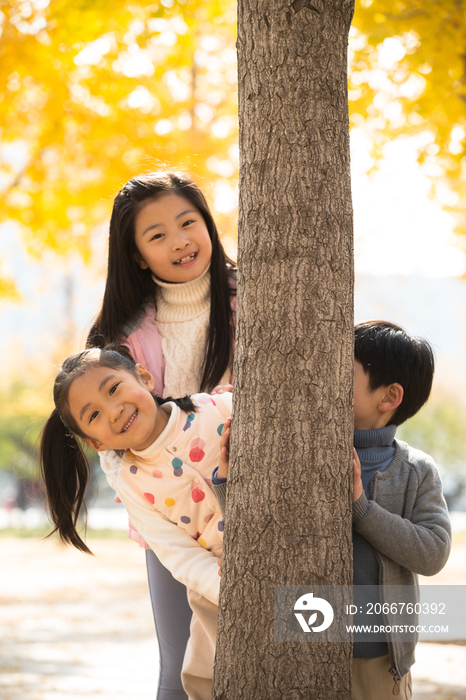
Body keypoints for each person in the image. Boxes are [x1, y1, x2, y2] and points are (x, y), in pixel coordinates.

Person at [213, 321, 451, 700]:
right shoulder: (303, 452)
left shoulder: (415, 470)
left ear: (389, 397)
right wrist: (228, 479)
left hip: (378, 657)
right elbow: (259, 535)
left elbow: (433, 552)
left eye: (342, 371)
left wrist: (362, 510)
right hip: (302, 645)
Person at [87, 170, 236, 700]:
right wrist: (142, 503)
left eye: (187, 222)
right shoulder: (121, 334)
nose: (179, 241)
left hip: (256, 497)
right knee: (183, 666)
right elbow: (108, 436)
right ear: (135, 256)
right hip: (173, 514)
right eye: (157, 235)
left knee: (289, 635)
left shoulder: (250, 300)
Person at [39, 346, 232, 700]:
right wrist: (225, 587)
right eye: (94, 414)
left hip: (275, 538)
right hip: (216, 574)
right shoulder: (131, 481)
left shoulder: (216, 408)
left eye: (113, 389)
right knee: (204, 675)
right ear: (95, 442)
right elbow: (174, 551)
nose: (114, 411)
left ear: (143, 377)